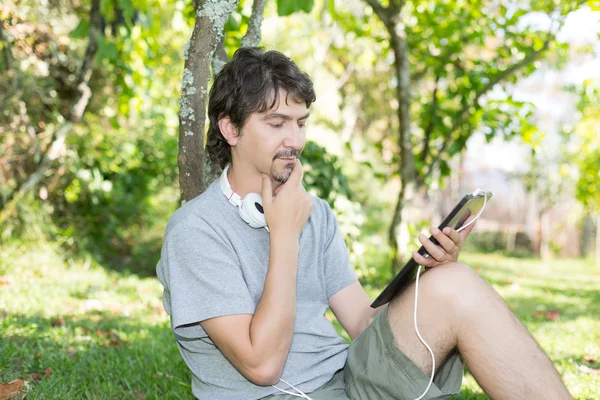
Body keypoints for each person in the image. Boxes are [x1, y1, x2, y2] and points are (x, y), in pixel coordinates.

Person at [156, 47, 572, 400]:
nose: (296, 141)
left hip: (346, 382)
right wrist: (284, 237)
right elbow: (262, 366)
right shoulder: (196, 231)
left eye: (300, 123)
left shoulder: (312, 212)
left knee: (454, 284)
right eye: (276, 123)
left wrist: (427, 286)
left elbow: (361, 323)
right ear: (230, 128)